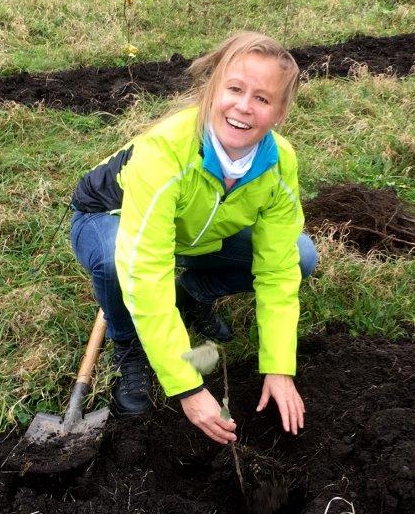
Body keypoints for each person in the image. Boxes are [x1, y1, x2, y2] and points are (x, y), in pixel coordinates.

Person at [70, 32, 317, 446]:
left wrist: (279, 366)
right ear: (210, 91)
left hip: (195, 229)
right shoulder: (165, 152)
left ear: (280, 112)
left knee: (300, 255)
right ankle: (129, 346)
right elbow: (146, 272)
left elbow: (277, 269)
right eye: (234, 89)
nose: (243, 106)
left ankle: (191, 294)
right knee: (118, 262)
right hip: (109, 215)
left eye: (262, 98)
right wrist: (187, 386)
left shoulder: (279, 164)